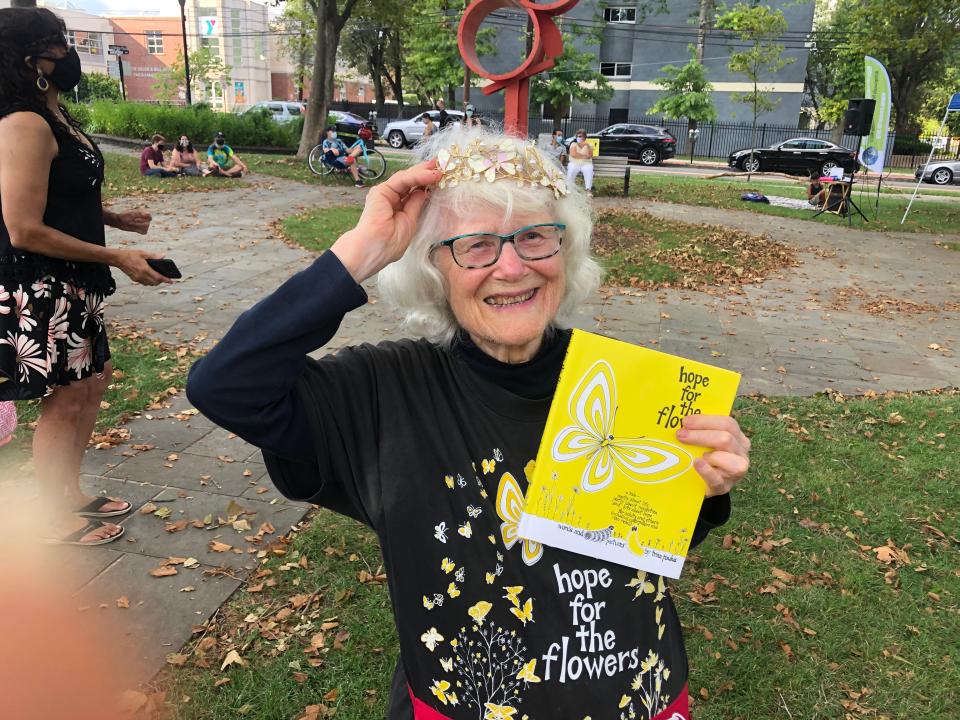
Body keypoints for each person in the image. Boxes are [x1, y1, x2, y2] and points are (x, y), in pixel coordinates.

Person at [186, 125, 750, 719]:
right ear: (433, 270)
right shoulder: (381, 395)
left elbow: (651, 545)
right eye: (475, 246)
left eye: (534, 237)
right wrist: (363, 250)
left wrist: (705, 486)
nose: (511, 267)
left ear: (566, 251)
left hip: (640, 698)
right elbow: (226, 386)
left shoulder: (616, 384)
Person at [0, 7, 173, 546]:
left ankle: (69, 494)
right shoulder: (23, 123)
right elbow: (24, 227)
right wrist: (117, 255)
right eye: (60, 43)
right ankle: (51, 518)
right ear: (33, 61)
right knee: (65, 398)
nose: (69, 51)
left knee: (91, 385)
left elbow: (58, 193)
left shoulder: (54, 114)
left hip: (75, 280)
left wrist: (115, 219)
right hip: (41, 283)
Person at [567, 128, 594, 195]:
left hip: (586, 164)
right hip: (574, 163)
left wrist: (587, 146)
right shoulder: (573, 144)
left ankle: (588, 189)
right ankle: (569, 188)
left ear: (585, 137)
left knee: (589, 170)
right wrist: (584, 156)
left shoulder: (589, 145)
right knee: (571, 169)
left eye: (582, 136)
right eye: (578, 136)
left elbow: (590, 156)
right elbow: (573, 154)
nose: (580, 138)